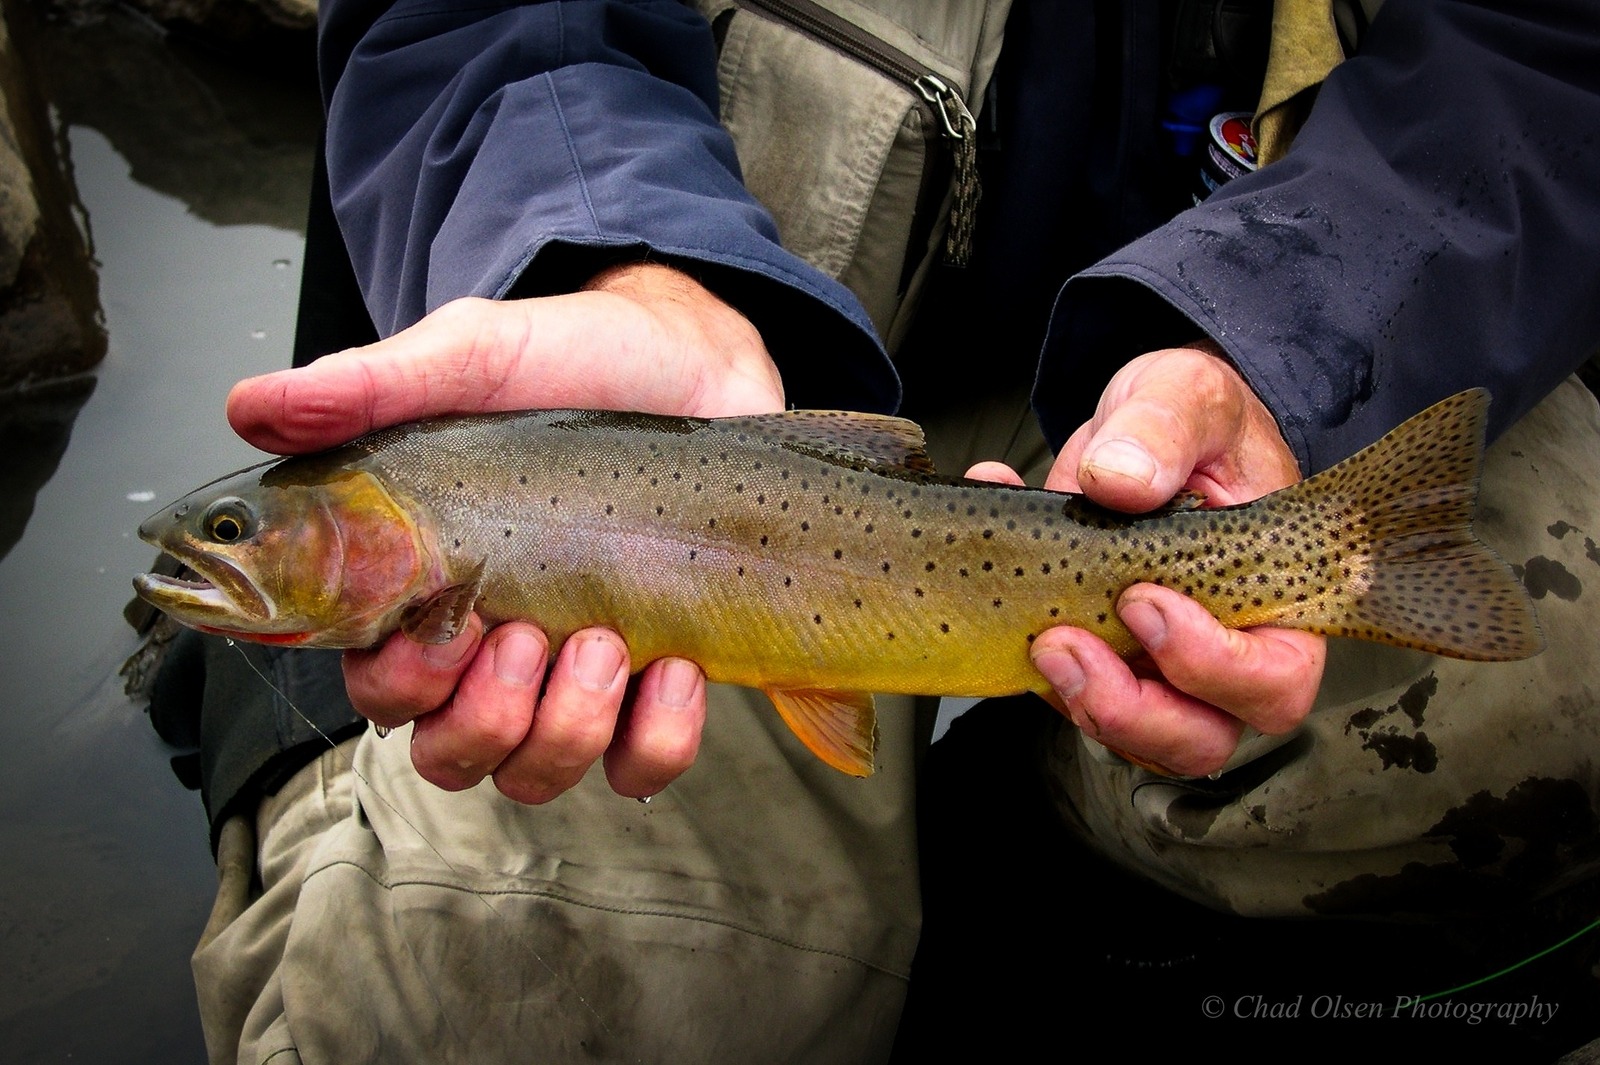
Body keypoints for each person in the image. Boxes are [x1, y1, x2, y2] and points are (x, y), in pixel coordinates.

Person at [150, 0, 1600, 1060]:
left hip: (1226, 286)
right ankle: (330, 806)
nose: (217, 542)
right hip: (715, 297)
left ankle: (1010, 846)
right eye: (236, 527)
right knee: (485, 1010)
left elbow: (1552, 53)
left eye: (237, 528)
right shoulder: (442, 492)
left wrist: (1288, 349)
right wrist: (600, 252)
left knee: (1554, 722)